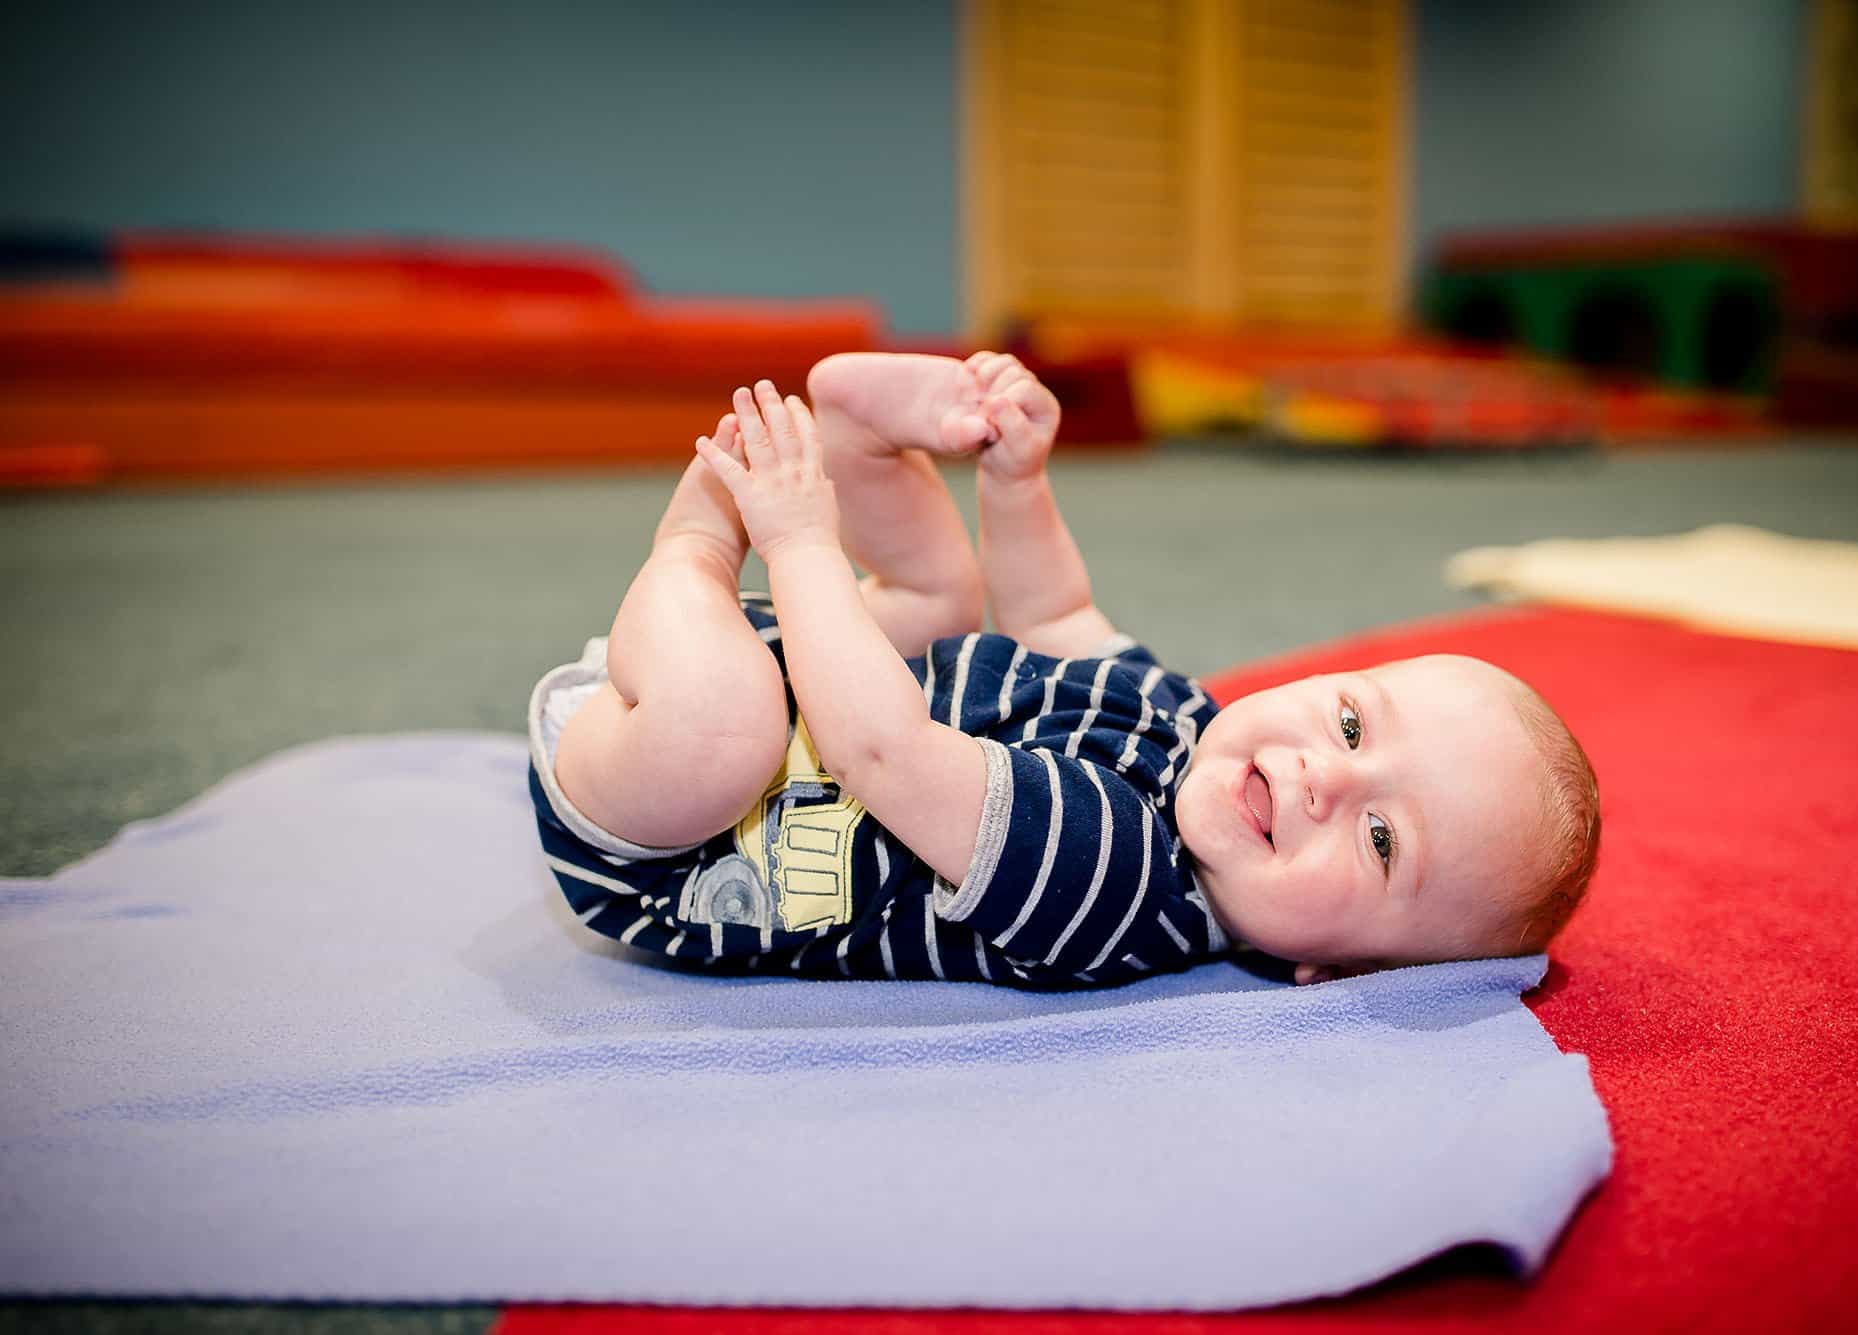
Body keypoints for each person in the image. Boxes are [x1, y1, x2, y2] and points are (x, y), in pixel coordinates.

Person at [527, 353, 1599, 988]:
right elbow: (1052, 614)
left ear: (1336, 969)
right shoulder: (1191, 727)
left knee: (725, 729)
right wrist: (1015, 481)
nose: (1328, 777)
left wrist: (801, 541)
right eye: (1354, 727)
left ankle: (695, 549)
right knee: (943, 604)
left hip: (662, 828)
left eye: (1380, 839)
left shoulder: (1120, 881)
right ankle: (859, 439)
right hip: (797, 671)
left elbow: (881, 752)